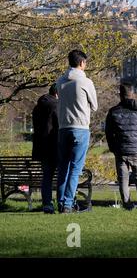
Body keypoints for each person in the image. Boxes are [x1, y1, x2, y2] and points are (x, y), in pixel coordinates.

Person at [56, 50, 97, 213]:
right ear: (81, 63)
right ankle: (67, 204)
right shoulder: (86, 82)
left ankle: (60, 202)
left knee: (63, 168)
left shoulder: (60, 81)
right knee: (75, 169)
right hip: (80, 127)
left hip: (63, 127)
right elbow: (95, 106)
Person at [105, 83, 137, 210]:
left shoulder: (113, 112)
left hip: (121, 151)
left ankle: (127, 205)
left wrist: (113, 148)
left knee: (123, 180)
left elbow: (108, 133)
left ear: (120, 95)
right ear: (132, 94)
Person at [32, 84, 59, 214]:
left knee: (47, 177)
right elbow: (59, 125)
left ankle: (47, 204)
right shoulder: (56, 106)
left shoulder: (37, 107)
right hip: (54, 145)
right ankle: (62, 203)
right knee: (61, 176)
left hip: (41, 147)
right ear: (58, 93)